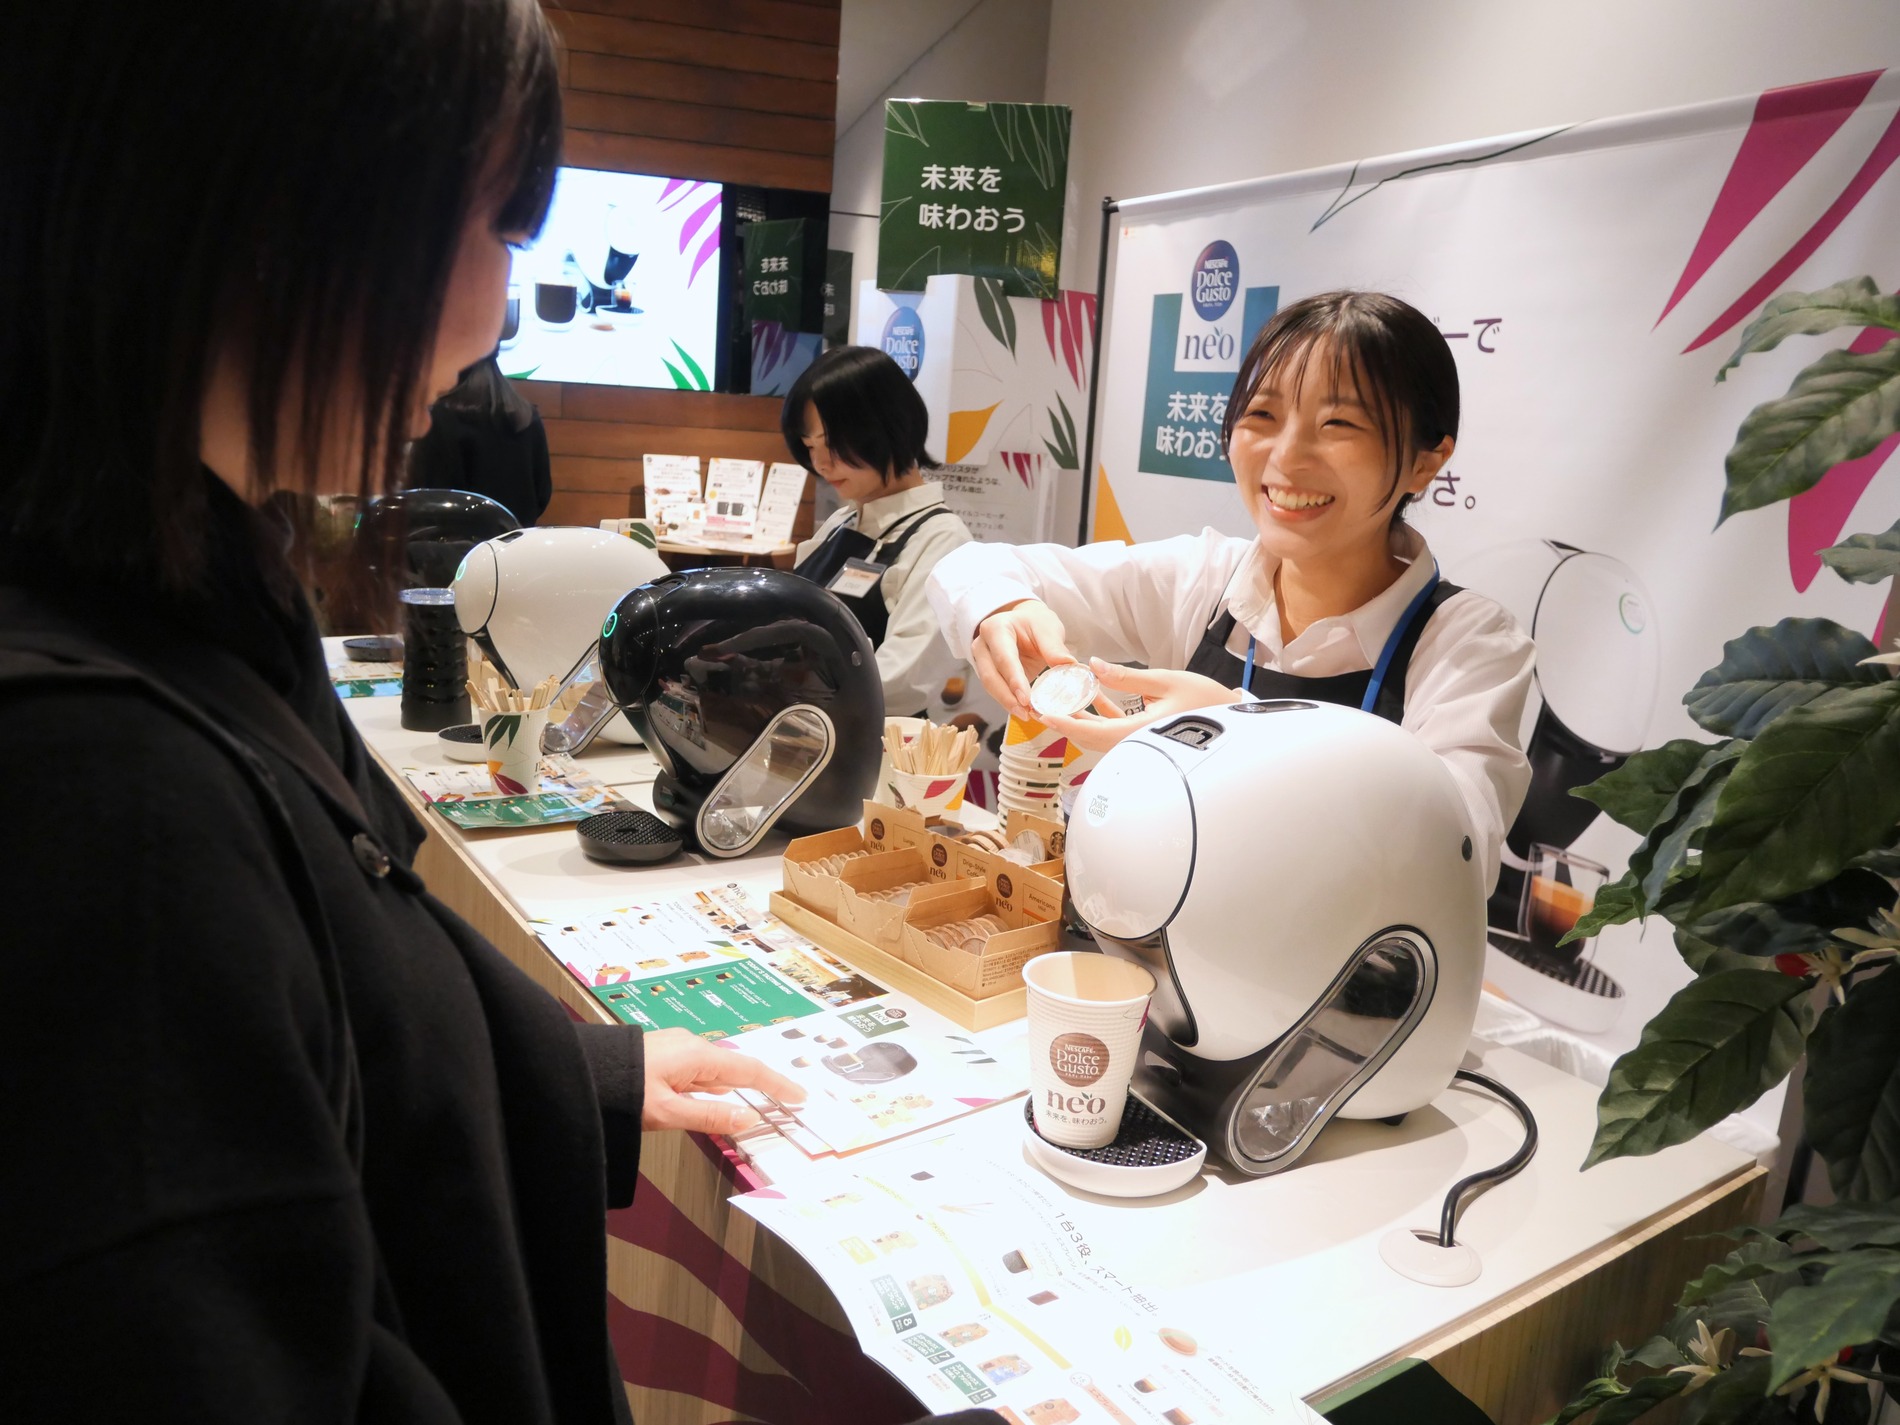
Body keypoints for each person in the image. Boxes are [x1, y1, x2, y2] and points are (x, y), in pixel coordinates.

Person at [0, 4, 995, 1422]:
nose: (492, 323)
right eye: (490, 229)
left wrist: (594, 1069)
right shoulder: (95, 790)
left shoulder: (200, 589)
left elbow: (362, 967)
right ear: (265, 203)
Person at [928, 291, 1535, 889]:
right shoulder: (1206, 580)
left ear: (1425, 463)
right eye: (1263, 416)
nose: (1287, 457)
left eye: (1339, 424)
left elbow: (1458, 853)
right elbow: (971, 567)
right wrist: (1004, 607)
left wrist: (1230, 728)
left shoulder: (1468, 642)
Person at [784, 346, 974, 717]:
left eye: (833, 443)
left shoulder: (943, 541)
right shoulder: (842, 522)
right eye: (810, 446)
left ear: (887, 426)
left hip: (872, 751)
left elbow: (903, 680)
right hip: (802, 731)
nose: (821, 463)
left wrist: (784, 690)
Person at [406, 353, 554, 526]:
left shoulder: (439, 418)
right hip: (514, 543)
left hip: (452, 546)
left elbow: (424, 494)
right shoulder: (528, 416)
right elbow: (542, 494)